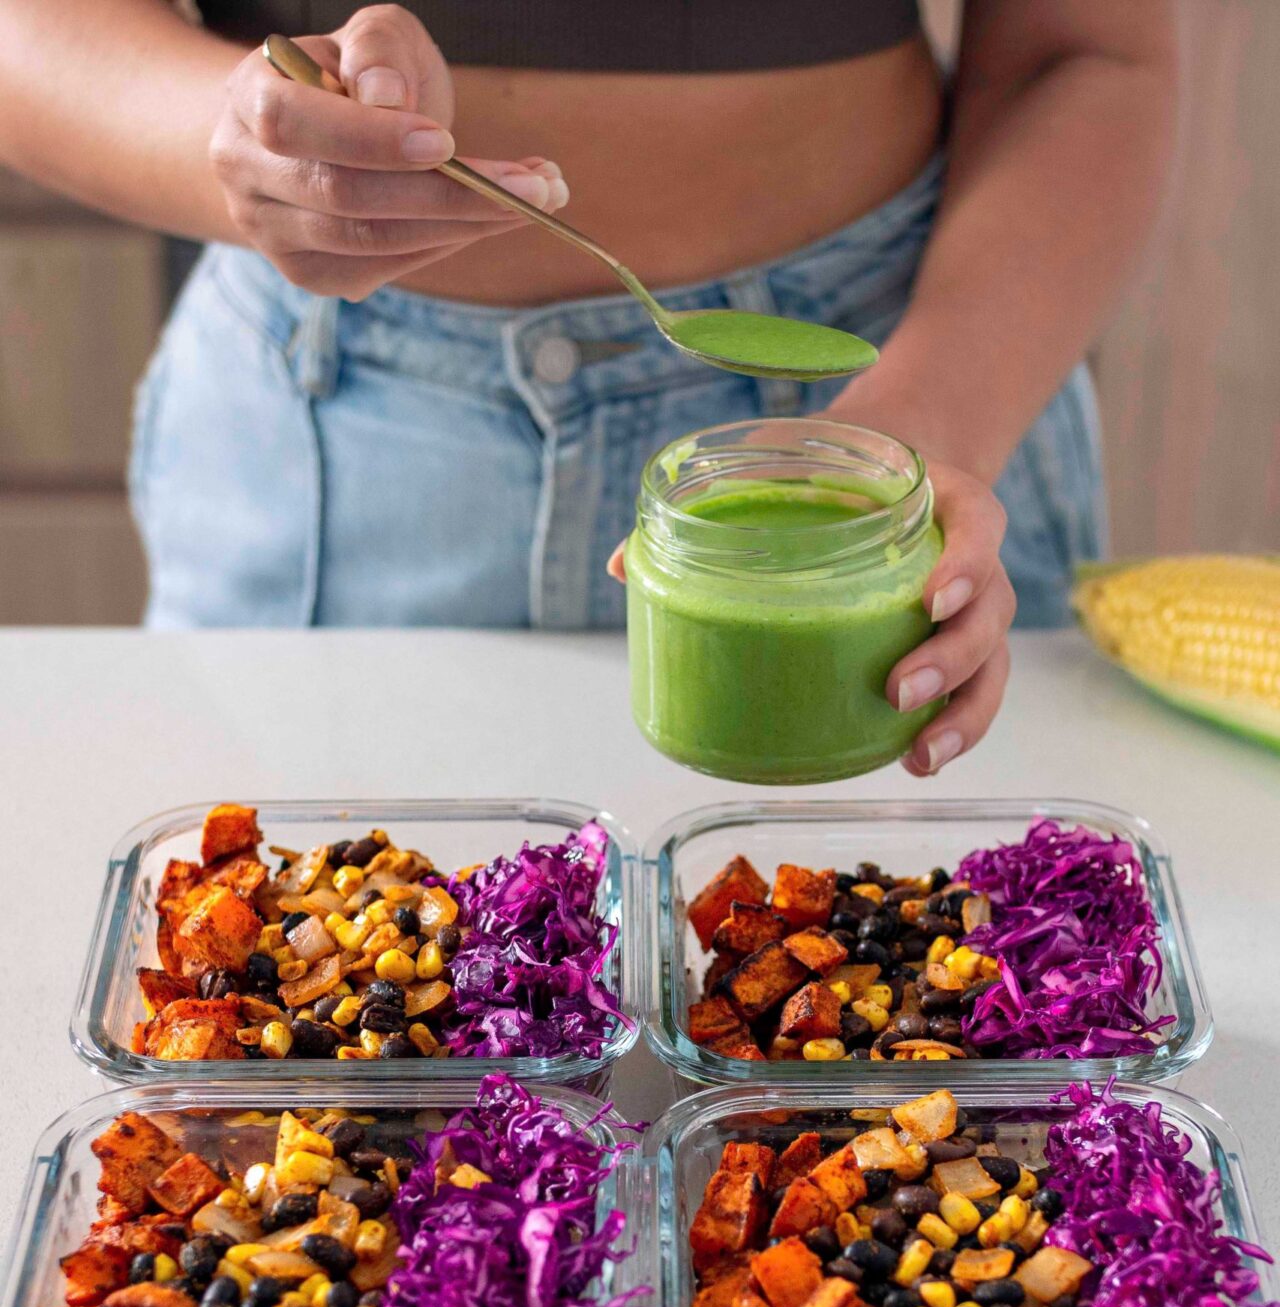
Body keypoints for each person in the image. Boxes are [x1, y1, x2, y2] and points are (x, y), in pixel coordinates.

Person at [0, 2, 1176, 773]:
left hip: (907, 393)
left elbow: (1087, 52)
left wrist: (913, 441)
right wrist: (245, 148)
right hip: (340, 428)